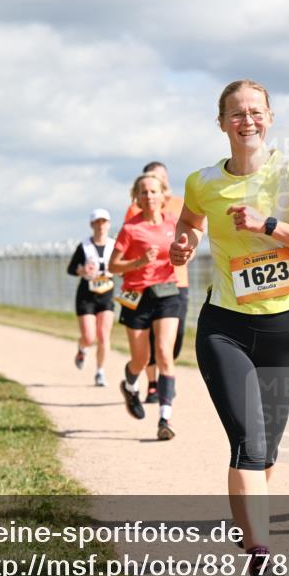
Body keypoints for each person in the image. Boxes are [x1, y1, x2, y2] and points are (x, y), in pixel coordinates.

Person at [169, 79, 289, 576]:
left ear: (270, 117)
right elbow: (190, 223)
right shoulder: (202, 181)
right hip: (225, 328)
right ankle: (261, 555)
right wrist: (184, 244)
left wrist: (270, 225)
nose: (247, 120)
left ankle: (250, 532)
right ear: (220, 122)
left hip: (284, 328)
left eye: (256, 111)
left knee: (266, 454)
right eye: (237, 113)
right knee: (248, 441)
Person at [109, 173, 181, 440]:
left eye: (153, 191)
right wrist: (138, 262)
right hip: (136, 296)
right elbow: (113, 267)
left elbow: (189, 245)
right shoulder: (130, 229)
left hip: (166, 293)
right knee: (141, 359)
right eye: (143, 192)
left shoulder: (173, 223)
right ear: (136, 197)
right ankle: (130, 385)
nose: (149, 196)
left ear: (164, 195)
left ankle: (165, 418)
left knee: (164, 352)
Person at [125, 161, 191, 404]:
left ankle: (165, 373)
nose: (153, 188)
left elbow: (192, 235)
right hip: (146, 283)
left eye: (159, 179)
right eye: (150, 180)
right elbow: (128, 242)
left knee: (175, 337)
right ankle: (154, 384)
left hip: (177, 280)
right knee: (152, 339)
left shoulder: (181, 204)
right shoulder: (136, 208)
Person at [67, 209, 117, 387]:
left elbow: (122, 266)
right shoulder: (84, 246)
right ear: (92, 225)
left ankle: (100, 372)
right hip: (86, 295)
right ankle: (82, 348)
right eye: (97, 222)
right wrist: (82, 270)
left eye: (104, 222)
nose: (101, 225)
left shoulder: (114, 245)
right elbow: (71, 268)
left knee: (104, 335)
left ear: (109, 224)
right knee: (89, 336)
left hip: (107, 293)